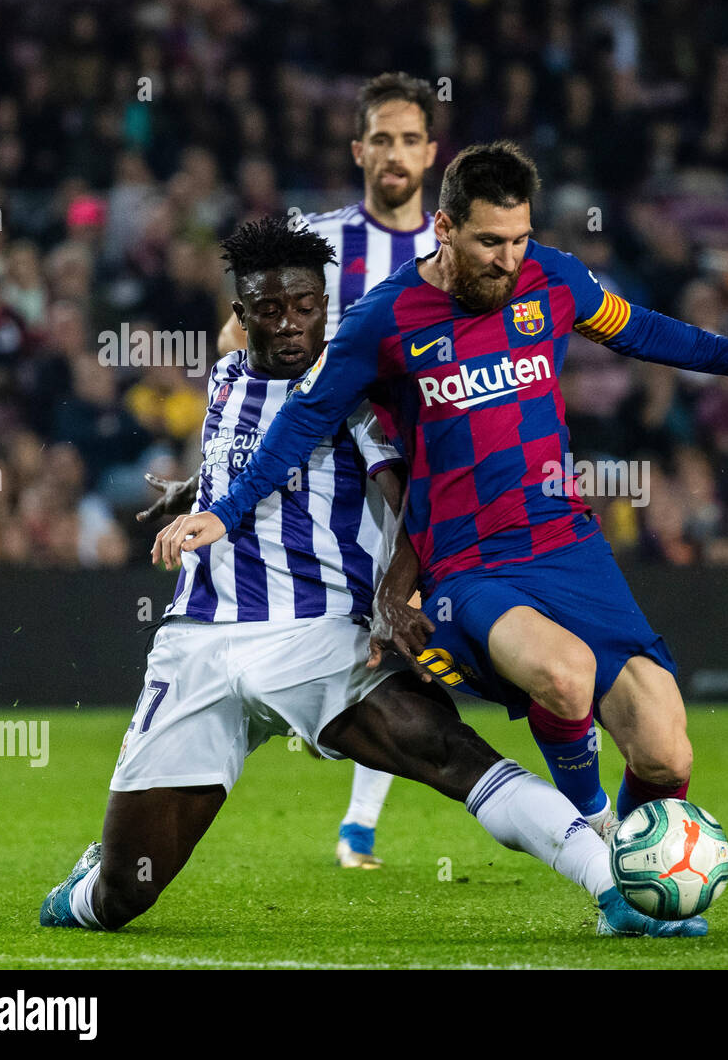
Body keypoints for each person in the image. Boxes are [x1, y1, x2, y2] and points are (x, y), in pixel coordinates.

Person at [152, 141, 728, 849]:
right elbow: (305, 416)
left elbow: (641, 331)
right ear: (446, 229)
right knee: (565, 675)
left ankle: (646, 879)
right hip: (467, 559)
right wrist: (222, 509)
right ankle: (600, 838)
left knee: (667, 752)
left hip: (566, 542)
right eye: (490, 241)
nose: (508, 258)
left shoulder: (554, 281)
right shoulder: (385, 318)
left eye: (520, 239)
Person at [41, 216, 704, 939]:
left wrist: (397, 594)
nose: (292, 326)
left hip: (320, 634)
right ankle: (85, 888)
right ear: (241, 318)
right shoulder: (226, 375)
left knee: (452, 753)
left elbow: (410, 494)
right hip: (199, 641)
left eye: (305, 308)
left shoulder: (361, 394)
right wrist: (198, 491)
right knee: (122, 896)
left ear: (326, 307)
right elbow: (254, 454)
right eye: (270, 311)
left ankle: (615, 887)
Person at [216, 72, 441, 870]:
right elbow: (233, 340)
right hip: (331, 463)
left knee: (405, 625)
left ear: (431, 152)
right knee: (376, 624)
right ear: (358, 149)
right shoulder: (318, 238)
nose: (395, 152)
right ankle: (356, 815)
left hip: (432, 458)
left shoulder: (452, 250)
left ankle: (354, 798)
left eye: (410, 138)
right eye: (381, 137)